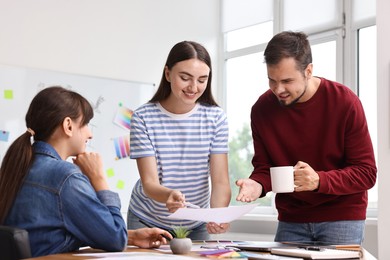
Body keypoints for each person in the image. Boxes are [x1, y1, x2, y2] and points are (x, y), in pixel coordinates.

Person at [236, 31, 377, 245]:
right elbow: (265, 168)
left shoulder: (345, 102)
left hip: (342, 217)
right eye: (272, 80)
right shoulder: (262, 109)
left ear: (308, 71)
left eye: (287, 81)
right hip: (291, 219)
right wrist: (257, 185)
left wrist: (319, 180)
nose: (278, 89)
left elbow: (366, 173)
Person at [0, 86, 172, 257]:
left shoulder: (19, 166)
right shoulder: (65, 177)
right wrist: (99, 178)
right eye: (86, 124)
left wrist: (132, 237)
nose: (90, 134)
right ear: (68, 125)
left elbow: (49, 234)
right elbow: (116, 238)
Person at [127, 41, 231, 240]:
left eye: (202, 80)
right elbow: (149, 183)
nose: (193, 87)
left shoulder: (216, 118)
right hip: (147, 220)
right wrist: (168, 195)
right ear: (168, 74)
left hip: (195, 224)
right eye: (185, 78)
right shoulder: (143, 117)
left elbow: (220, 181)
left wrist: (218, 214)